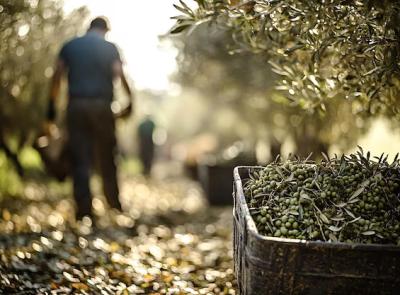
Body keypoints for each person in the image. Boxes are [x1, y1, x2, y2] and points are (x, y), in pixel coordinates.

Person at [46, 17, 134, 221]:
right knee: (107, 157)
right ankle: (114, 205)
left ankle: (84, 211)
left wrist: (51, 106)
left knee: (80, 158)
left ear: (89, 28)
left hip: (76, 106)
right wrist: (130, 99)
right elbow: (119, 73)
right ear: (105, 30)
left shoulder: (70, 45)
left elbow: (57, 74)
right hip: (103, 106)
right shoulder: (110, 47)